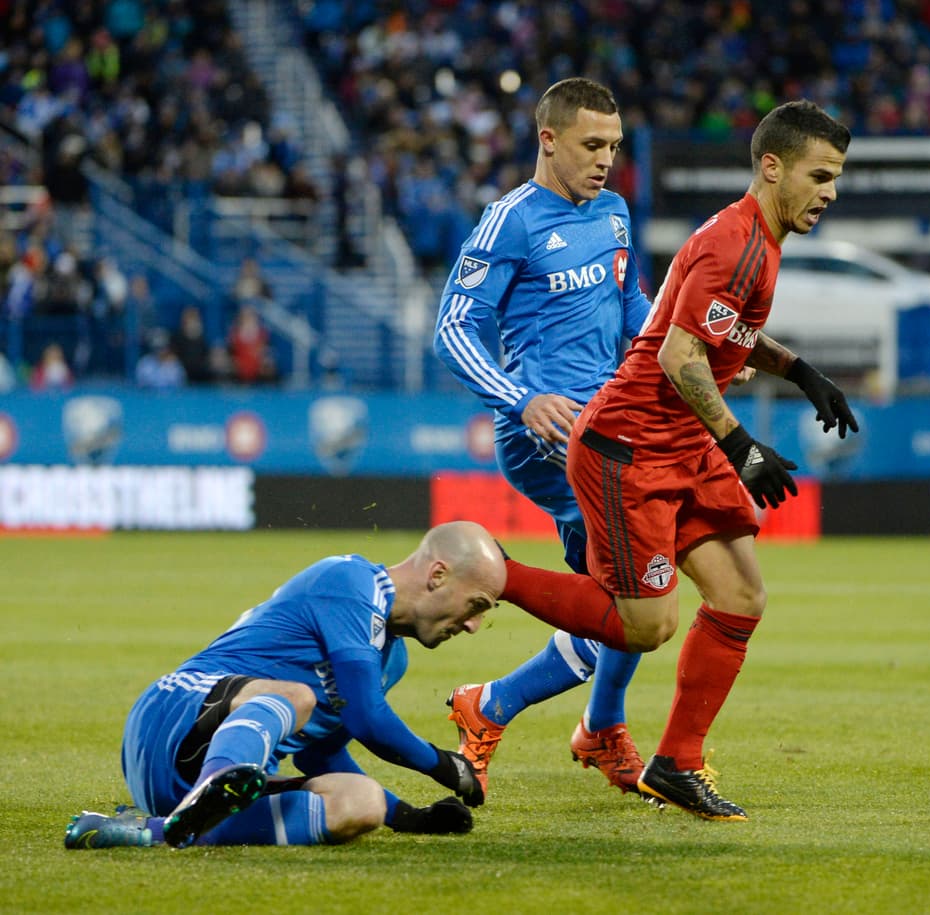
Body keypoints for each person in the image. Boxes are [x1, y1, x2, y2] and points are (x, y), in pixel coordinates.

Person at [498, 101, 857, 820]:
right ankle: (493, 573)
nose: (830, 192)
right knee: (645, 625)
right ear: (772, 166)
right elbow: (677, 353)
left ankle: (676, 763)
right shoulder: (737, 244)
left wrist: (799, 370)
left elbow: (714, 328)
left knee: (741, 595)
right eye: (820, 175)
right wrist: (740, 444)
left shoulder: (757, 236)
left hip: (681, 445)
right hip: (628, 449)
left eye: (837, 178)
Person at [432, 78, 652, 800]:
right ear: (548, 140)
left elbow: (629, 310)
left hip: (610, 423)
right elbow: (453, 329)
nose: (605, 161)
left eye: (614, 147)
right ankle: (563, 718)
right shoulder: (511, 222)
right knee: (641, 584)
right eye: (592, 145)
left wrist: (681, 351)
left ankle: (553, 717)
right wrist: (520, 398)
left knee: (631, 596)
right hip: (549, 435)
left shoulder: (615, 213)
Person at [64, 521, 506, 849]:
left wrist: (408, 816)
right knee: (295, 696)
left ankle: (153, 831)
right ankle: (218, 784)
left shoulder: (392, 659)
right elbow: (366, 717)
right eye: (477, 605)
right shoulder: (350, 581)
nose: (473, 625)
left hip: (227, 768)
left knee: (361, 805)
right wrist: (446, 767)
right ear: (438, 575)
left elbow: (320, 751)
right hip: (177, 712)